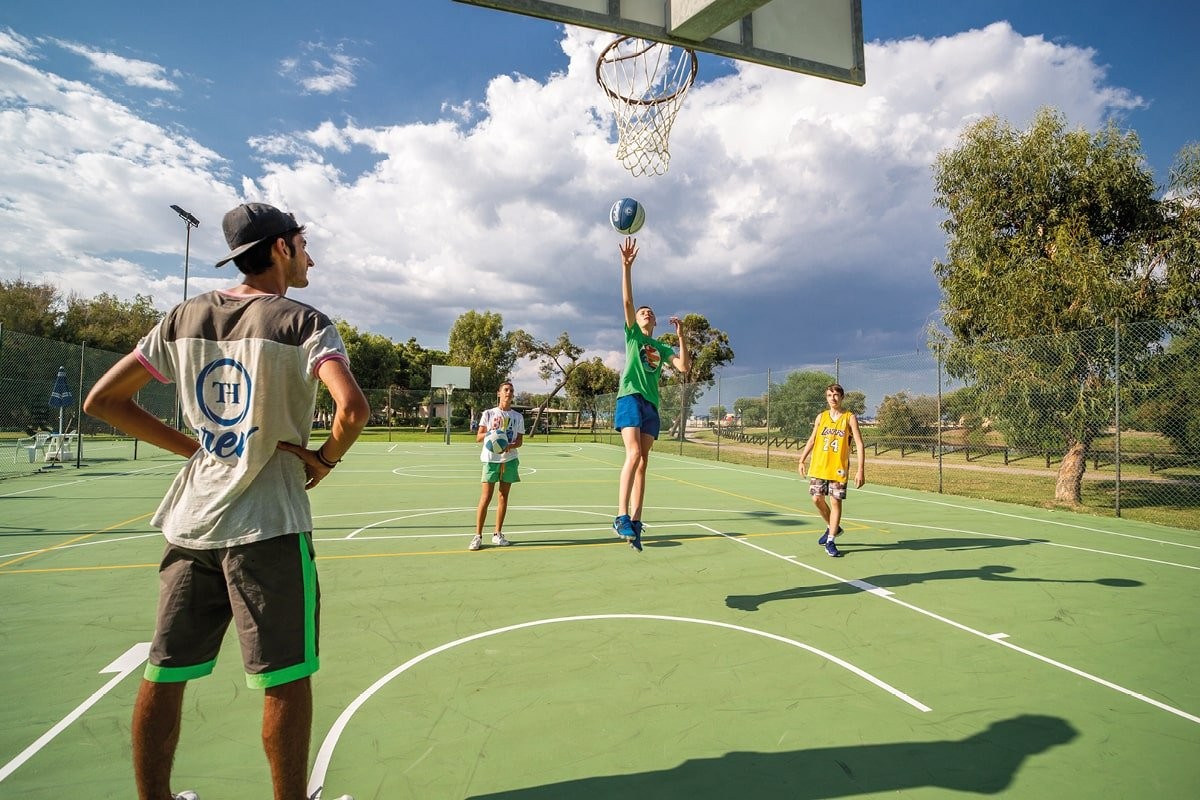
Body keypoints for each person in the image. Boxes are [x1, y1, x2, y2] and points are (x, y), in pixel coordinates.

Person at [84, 202, 368, 800]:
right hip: (268, 524)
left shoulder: (183, 317)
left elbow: (103, 401)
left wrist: (193, 447)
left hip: (191, 523)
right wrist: (324, 459)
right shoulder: (304, 322)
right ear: (281, 249)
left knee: (164, 671)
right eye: (303, 243)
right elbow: (352, 409)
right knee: (285, 677)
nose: (310, 255)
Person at [612, 236, 691, 552]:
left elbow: (684, 367)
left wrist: (682, 337)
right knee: (633, 455)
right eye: (642, 311)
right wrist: (626, 267)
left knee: (643, 462)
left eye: (649, 312)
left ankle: (636, 520)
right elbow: (628, 302)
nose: (645, 313)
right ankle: (620, 515)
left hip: (651, 405)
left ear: (656, 321)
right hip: (630, 396)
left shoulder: (661, 346)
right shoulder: (633, 336)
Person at [797, 383, 866, 557]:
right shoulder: (821, 417)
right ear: (826, 398)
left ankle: (831, 540)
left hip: (838, 468)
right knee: (816, 499)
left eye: (836, 395)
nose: (833, 398)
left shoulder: (849, 418)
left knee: (835, 502)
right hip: (819, 466)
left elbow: (859, 443)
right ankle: (832, 526)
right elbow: (812, 439)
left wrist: (860, 470)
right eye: (829, 395)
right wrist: (802, 459)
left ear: (842, 397)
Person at [470, 380, 525, 551]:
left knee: (503, 497)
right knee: (485, 497)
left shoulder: (518, 417)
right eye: (506, 390)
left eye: (511, 390)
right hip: (490, 459)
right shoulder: (488, 413)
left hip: (509, 460)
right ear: (499, 393)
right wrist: (492, 433)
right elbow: (478, 437)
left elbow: (520, 442)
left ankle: (497, 534)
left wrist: (510, 445)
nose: (509, 393)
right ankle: (477, 536)